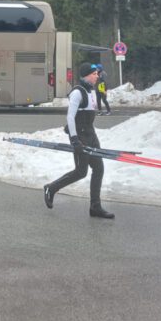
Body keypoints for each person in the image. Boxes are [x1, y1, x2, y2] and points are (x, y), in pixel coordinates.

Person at [43, 63, 114, 218]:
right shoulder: (77, 92)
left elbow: (85, 115)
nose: (97, 76)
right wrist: (75, 139)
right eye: (94, 74)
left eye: (97, 73)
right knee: (81, 172)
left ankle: (95, 207)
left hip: (91, 134)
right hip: (80, 137)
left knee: (99, 168)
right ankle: (51, 188)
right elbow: (70, 116)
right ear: (86, 75)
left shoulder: (90, 90)